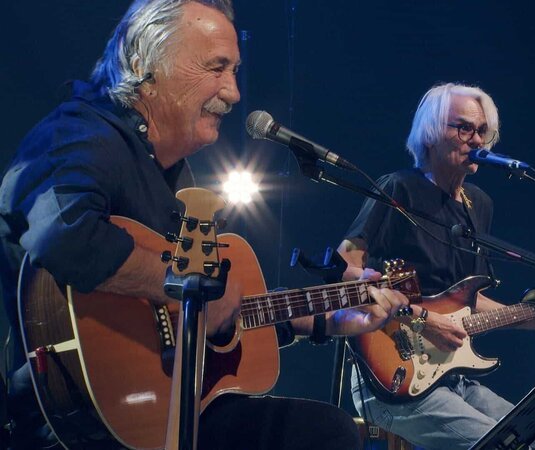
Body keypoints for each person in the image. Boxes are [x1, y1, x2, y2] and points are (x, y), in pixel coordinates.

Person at [0, 1, 408, 449]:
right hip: (88, 423)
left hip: (177, 410)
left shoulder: (179, 176)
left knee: (327, 431)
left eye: (234, 71)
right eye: (217, 67)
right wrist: (191, 283)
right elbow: (63, 235)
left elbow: (221, 319)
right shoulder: (78, 134)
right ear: (144, 64)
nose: (233, 93)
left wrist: (328, 320)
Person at [338, 83, 535, 450]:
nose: (476, 140)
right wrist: (421, 317)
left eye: (483, 131)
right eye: (464, 128)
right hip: (392, 378)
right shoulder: (398, 188)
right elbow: (345, 270)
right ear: (432, 132)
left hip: (451, 375)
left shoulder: (479, 204)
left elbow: (470, 300)